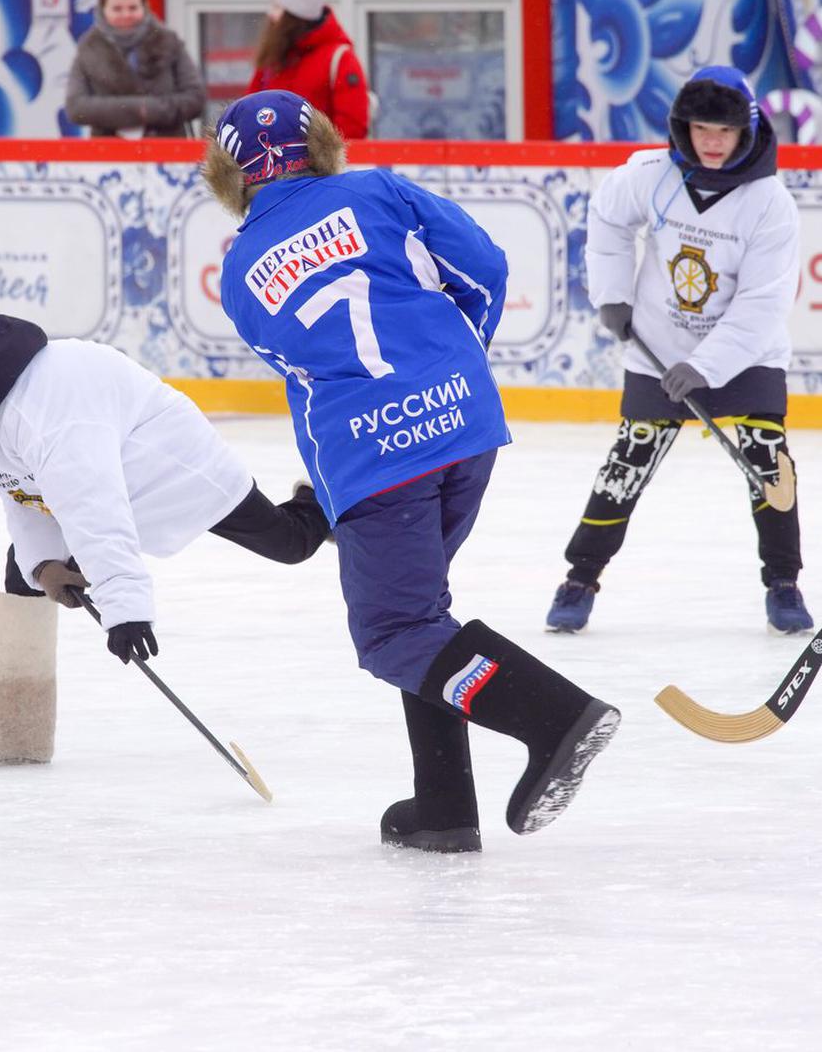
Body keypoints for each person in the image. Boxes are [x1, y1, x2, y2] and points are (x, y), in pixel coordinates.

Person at [202, 89, 620, 852]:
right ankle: (444, 808)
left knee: (396, 630)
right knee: (424, 617)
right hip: (466, 424)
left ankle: (555, 717)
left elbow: (301, 364)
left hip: (373, 456)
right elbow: (486, 268)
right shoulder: (380, 189)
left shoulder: (238, 273)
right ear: (321, 142)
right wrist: (456, 360)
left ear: (228, 175)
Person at [0, 314, 329, 765]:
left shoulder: (47, 414)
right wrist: (44, 565)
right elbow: (20, 494)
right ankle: (16, 728)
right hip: (95, 480)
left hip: (176, 471)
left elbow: (97, 508)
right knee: (21, 567)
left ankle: (323, 498)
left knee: (291, 544)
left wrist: (126, 609)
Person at [545, 65, 813, 636]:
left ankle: (783, 582)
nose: (712, 142)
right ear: (682, 127)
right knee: (629, 459)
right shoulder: (651, 174)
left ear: (747, 130)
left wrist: (707, 365)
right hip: (659, 348)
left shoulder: (769, 203)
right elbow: (610, 221)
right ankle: (581, 577)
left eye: (724, 131)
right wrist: (612, 295)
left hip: (746, 356)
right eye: (700, 129)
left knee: (769, 461)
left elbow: (763, 300)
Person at [65, 0, 205, 138]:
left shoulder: (169, 41)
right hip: (109, 154)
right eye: (117, 9)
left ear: (144, 7)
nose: (126, 15)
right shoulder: (89, 47)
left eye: (133, 8)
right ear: (102, 10)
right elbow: (76, 107)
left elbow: (195, 99)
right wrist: (140, 110)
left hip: (168, 151)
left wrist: (148, 110)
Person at [247, 0, 370, 139]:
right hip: (270, 162)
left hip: (318, 166)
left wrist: (307, 158)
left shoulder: (340, 59)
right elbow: (249, 111)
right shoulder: (274, 57)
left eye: (277, 7)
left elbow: (351, 131)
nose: (270, 15)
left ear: (294, 16)